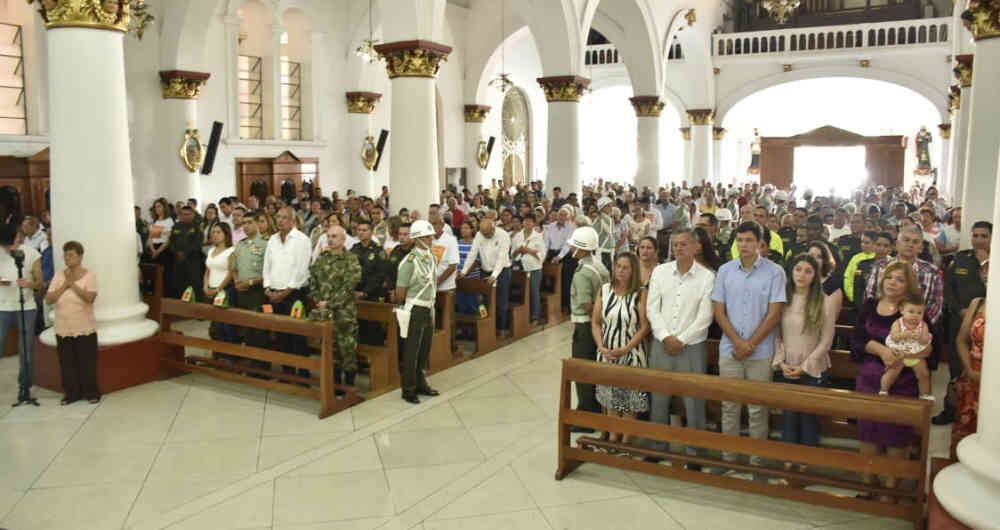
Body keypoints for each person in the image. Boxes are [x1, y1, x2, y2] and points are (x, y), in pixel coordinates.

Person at [851, 261, 937, 500]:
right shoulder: (869, 305)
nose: (893, 282)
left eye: (900, 279)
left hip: (903, 382)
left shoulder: (914, 311)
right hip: (869, 380)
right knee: (868, 431)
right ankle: (868, 482)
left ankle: (891, 486)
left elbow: (932, 348)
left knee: (895, 434)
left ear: (908, 284)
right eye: (890, 277)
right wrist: (881, 350)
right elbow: (857, 340)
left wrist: (906, 355)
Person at [712, 221, 786, 470]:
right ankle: (728, 459)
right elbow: (719, 312)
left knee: (757, 409)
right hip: (730, 349)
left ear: (760, 244)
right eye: (740, 240)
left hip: (761, 351)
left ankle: (757, 463)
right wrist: (737, 342)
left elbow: (774, 314)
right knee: (729, 407)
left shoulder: (775, 272)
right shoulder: (725, 270)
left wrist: (750, 343)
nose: (743, 245)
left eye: (749, 241)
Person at [646, 228, 715, 462]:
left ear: (696, 247)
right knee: (659, 397)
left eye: (684, 244)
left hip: (692, 347)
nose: (678, 248)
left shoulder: (706, 276)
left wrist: (681, 340)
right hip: (661, 343)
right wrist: (665, 336)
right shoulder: (660, 272)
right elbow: (652, 308)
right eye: (675, 244)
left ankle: (695, 452)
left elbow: (705, 316)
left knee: (694, 401)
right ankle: (657, 446)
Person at [773, 254, 834, 455]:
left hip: (813, 368)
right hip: (787, 366)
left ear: (815, 276)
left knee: (808, 419)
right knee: (788, 417)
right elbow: (776, 335)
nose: (802, 275)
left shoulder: (824, 301)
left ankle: (806, 465)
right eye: (798, 269)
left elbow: (826, 341)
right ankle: (788, 465)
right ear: (791, 271)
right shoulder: (782, 299)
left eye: (808, 271)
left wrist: (805, 366)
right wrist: (781, 362)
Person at [935, 220, 990, 425]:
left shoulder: (995, 262)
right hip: (959, 321)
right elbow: (948, 288)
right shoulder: (961, 259)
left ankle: (978, 416)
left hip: (985, 324)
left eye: (984, 236)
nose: (979, 240)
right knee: (956, 369)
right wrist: (960, 310)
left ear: (991, 238)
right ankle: (950, 411)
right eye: (975, 235)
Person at [591, 252, 650, 444]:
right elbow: (596, 322)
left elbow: (644, 326)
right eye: (618, 266)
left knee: (628, 398)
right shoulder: (605, 289)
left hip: (631, 352)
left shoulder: (640, 293)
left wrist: (626, 348)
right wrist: (600, 345)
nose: (621, 271)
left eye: (626, 267)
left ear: (633, 270)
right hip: (607, 351)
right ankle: (613, 436)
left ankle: (626, 439)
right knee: (609, 397)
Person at [45, 241, 99, 405]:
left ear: (80, 256)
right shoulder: (59, 275)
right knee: (66, 363)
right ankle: (71, 394)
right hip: (63, 327)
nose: (67, 258)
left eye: (71, 255)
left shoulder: (89, 275)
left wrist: (73, 284)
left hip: (83, 326)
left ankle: (91, 393)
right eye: (65, 255)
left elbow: (90, 298)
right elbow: (49, 299)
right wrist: (64, 285)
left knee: (86, 362)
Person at [309, 224, 362, 390]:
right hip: (325, 313)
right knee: (331, 350)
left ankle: (350, 386)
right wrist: (319, 300)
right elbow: (313, 281)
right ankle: (336, 385)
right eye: (329, 236)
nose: (330, 240)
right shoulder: (322, 258)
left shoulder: (351, 259)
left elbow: (349, 286)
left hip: (344, 313)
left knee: (347, 351)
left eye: (334, 236)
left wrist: (330, 303)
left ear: (343, 239)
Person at [568, 225, 609, 432]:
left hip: (585, 326)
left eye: (574, 245)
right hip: (599, 325)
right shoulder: (599, 265)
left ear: (581, 248)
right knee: (594, 368)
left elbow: (587, 305)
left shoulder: (582, 273)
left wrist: (595, 320)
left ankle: (587, 415)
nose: (571, 248)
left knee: (582, 370)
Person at [263, 207, 313, 376]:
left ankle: (303, 372)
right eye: (278, 217)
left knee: (297, 334)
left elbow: (302, 270)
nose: (280, 221)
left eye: (284, 218)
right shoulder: (272, 239)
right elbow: (267, 265)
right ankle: (287, 372)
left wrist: (285, 292)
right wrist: (267, 287)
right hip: (274, 292)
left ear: (293, 220)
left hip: (294, 294)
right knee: (281, 334)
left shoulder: (302, 240)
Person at [394, 220, 440, 404]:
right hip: (415, 308)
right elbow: (400, 292)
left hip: (429, 307)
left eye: (430, 236)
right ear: (417, 239)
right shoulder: (409, 261)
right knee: (411, 351)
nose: (430, 239)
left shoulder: (430, 257)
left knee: (424, 349)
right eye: (427, 236)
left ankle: (421, 383)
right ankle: (409, 389)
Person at [863, 225, 943, 324]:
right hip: (879, 324)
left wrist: (915, 326)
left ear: (921, 248)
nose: (910, 244)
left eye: (915, 242)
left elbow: (935, 305)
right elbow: (869, 298)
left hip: (917, 329)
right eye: (906, 240)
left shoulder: (932, 272)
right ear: (897, 244)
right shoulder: (880, 266)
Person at [0, 223, 42, 404]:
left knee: (26, 349)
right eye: (5, 246)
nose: (8, 248)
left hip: (26, 306)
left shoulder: (30, 253)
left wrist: (30, 284)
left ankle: (24, 387)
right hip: (2, 307)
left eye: (11, 243)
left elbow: (40, 282)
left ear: (18, 237)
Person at [459, 218, 513, 336]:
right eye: (484, 234)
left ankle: (501, 329)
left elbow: (502, 257)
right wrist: (464, 271)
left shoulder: (503, 235)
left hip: (502, 271)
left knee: (501, 301)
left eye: (488, 234)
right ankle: (488, 328)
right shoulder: (479, 235)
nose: (486, 236)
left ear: (493, 228)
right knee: (484, 301)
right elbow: (472, 254)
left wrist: (494, 275)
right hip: (485, 271)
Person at [950, 296, 985, 456]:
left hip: (995, 382)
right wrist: (970, 370)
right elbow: (961, 340)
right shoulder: (977, 303)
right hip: (972, 378)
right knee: (965, 435)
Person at [881, 297, 934, 402]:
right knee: (892, 372)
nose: (915, 315)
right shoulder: (898, 323)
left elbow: (925, 340)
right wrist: (903, 335)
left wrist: (920, 337)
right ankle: (883, 390)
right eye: (911, 311)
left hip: (916, 354)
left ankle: (925, 394)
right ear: (902, 311)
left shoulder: (923, 325)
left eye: (919, 313)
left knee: (924, 374)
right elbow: (894, 336)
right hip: (900, 352)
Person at [230, 211, 268, 351]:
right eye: (244, 223)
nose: (245, 226)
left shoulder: (266, 244)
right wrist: (236, 281)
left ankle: (261, 366)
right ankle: (250, 362)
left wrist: (250, 282)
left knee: (258, 329)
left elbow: (269, 273)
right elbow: (233, 267)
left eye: (249, 222)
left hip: (257, 292)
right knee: (245, 329)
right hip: (241, 290)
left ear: (258, 224)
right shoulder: (240, 244)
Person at [203, 222, 238, 343]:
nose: (215, 235)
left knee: (227, 324)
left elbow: (230, 273)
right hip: (211, 289)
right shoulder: (211, 250)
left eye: (218, 232)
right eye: (213, 232)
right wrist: (205, 287)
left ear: (226, 234)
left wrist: (218, 289)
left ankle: (231, 355)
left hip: (226, 290)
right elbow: (208, 270)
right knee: (216, 324)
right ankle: (218, 353)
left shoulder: (231, 250)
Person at [511, 215, 546, 324]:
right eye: (525, 221)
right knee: (521, 292)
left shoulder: (538, 236)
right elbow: (512, 254)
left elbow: (542, 254)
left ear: (534, 223)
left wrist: (528, 250)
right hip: (520, 268)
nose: (527, 223)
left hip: (534, 268)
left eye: (530, 221)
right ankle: (523, 316)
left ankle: (535, 316)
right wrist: (518, 250)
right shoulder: (517, 236)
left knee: (534, 292)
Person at [168, 206, 205, 298]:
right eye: (183, 214)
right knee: (179, 285)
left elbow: (198, 243)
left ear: (193, 215)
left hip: (193, 262)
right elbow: (171, 241)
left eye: (188, 214)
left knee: (194, 286)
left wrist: (184, 253)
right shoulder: (176, 226)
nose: (186, 216)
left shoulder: (197, 227)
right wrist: (176, 252)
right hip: (178, 262)